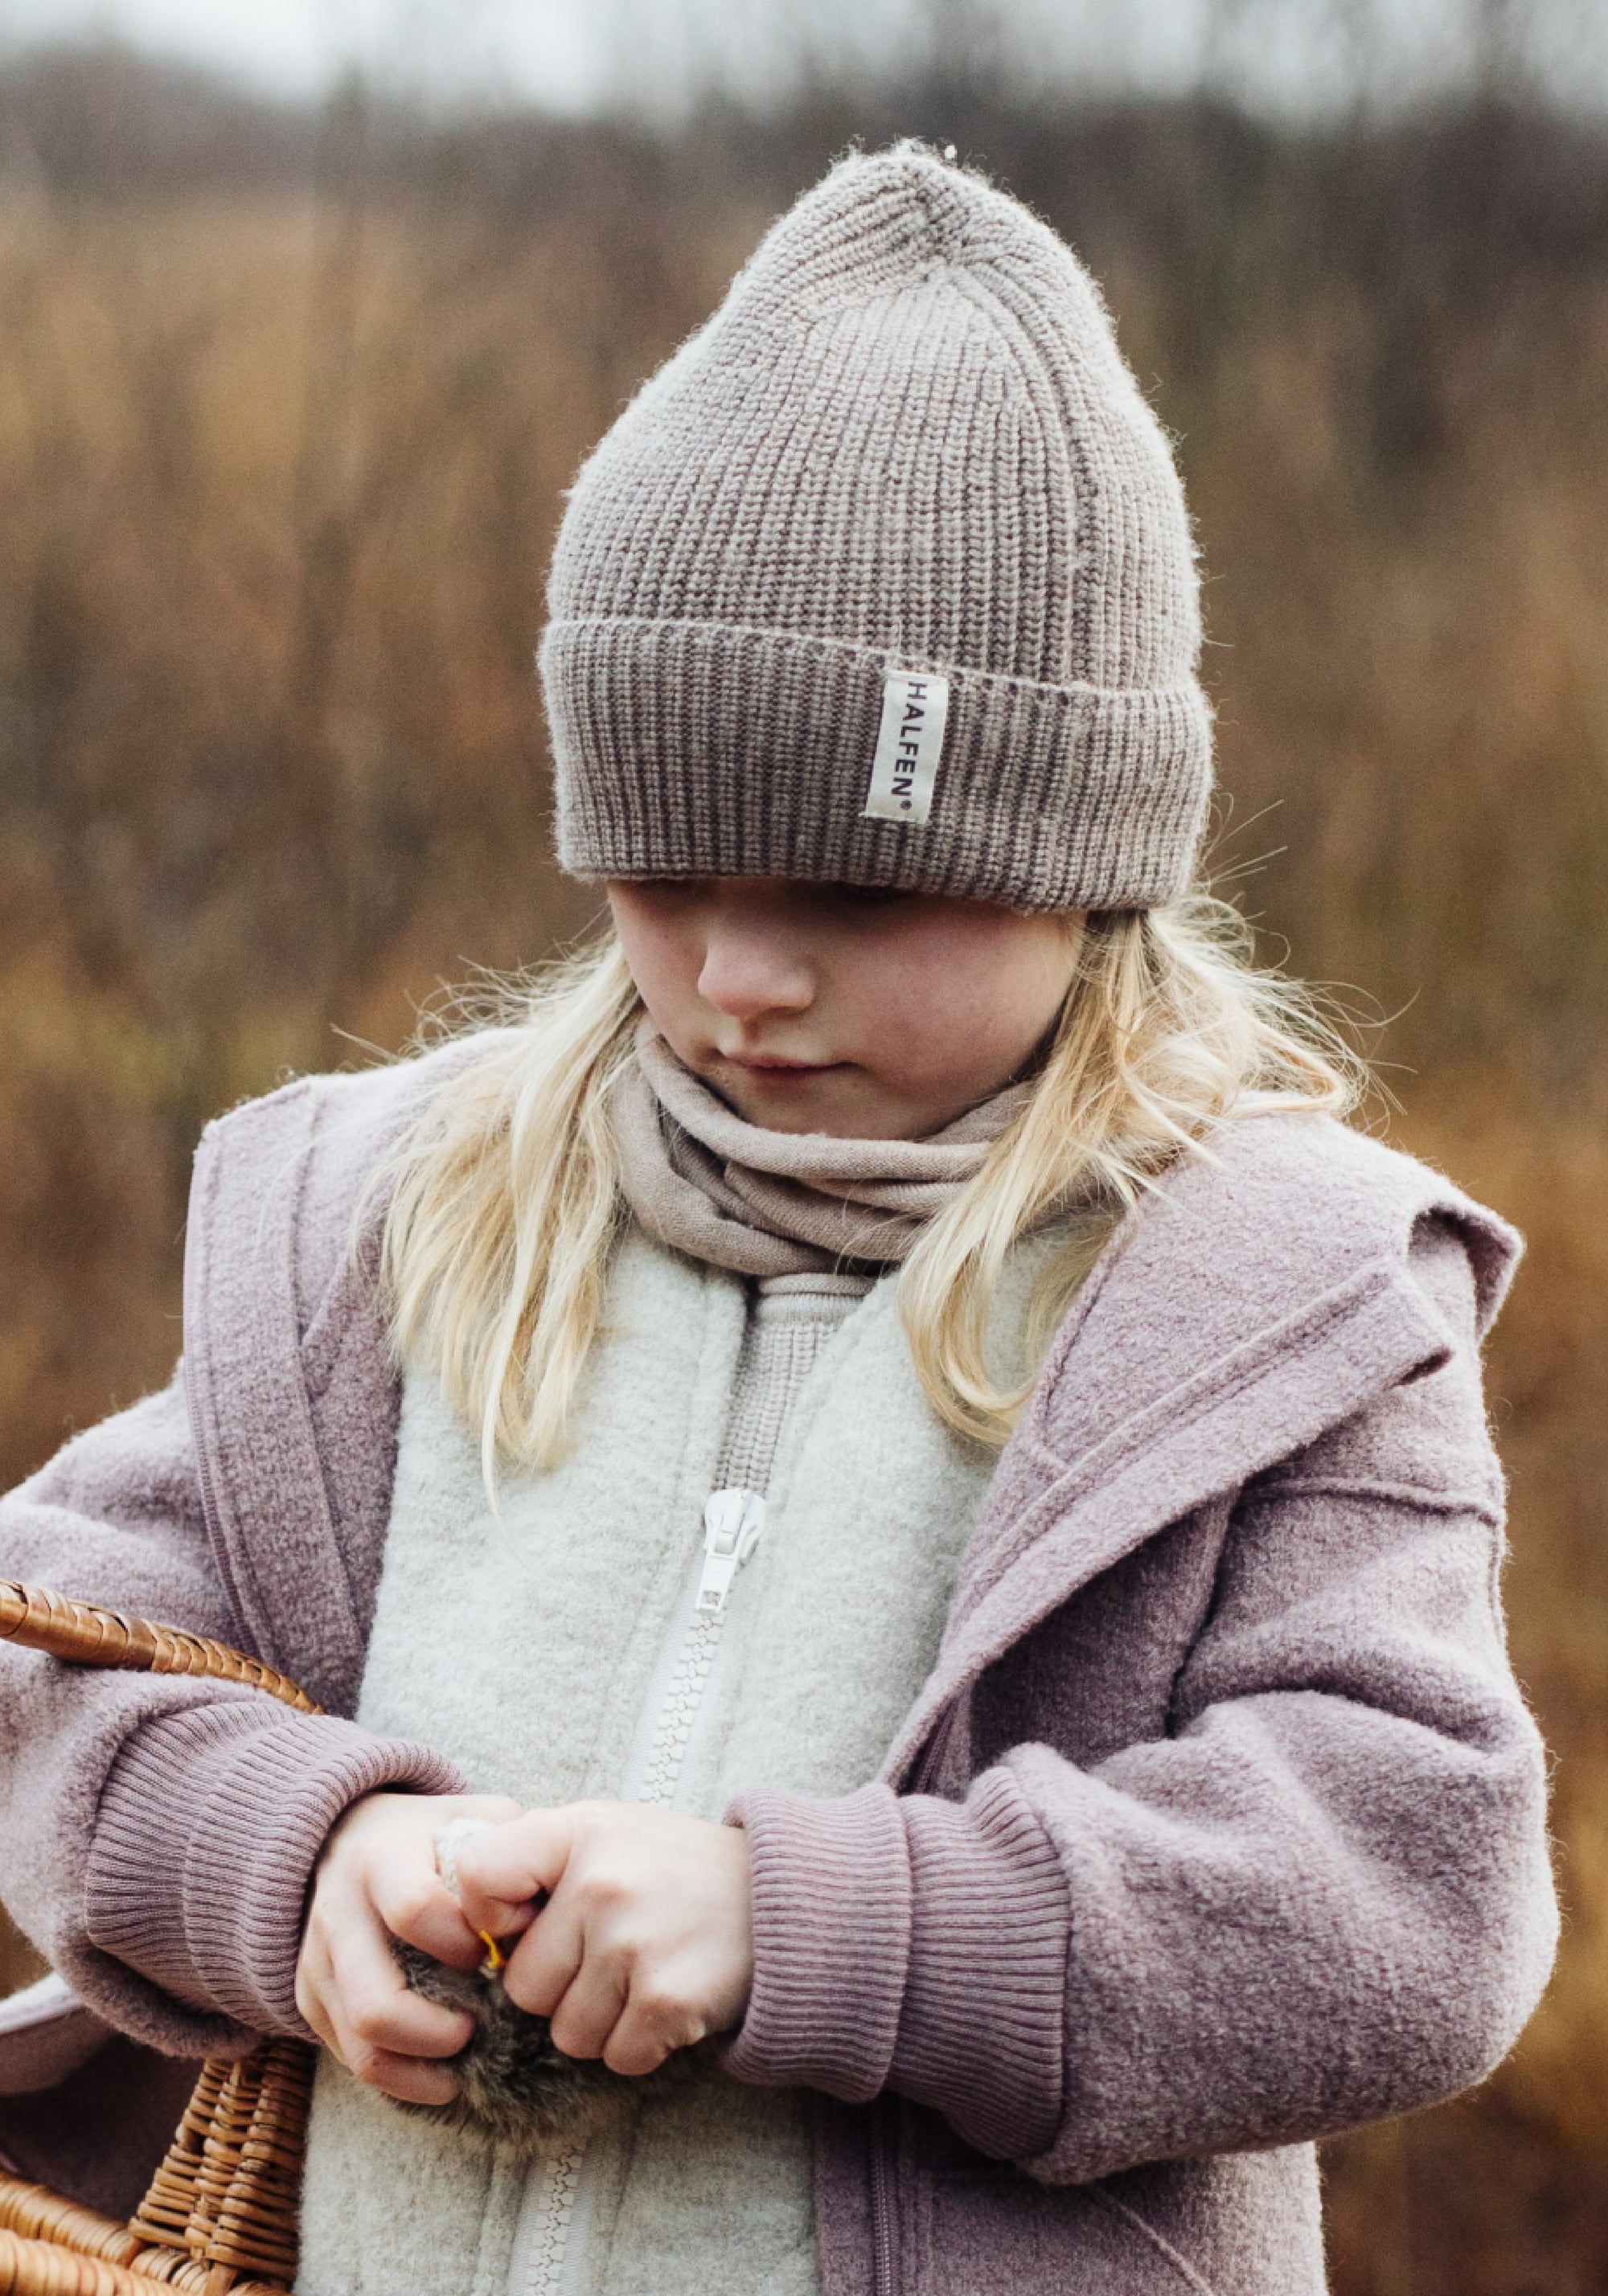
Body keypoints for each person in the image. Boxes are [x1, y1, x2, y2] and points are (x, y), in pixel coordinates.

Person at [0, 142, 1557, 2296]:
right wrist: (304, 1857)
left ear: (1080, 858)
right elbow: (63, 1663)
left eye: (854, 895)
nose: (738, 976)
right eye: (664, 877)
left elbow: (1405, 1897)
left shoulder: (1269, 1301)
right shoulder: (402, 1216)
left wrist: (813, 1926)